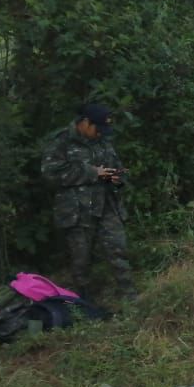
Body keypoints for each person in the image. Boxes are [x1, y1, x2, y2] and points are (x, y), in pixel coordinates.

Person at [40, 103, 136, 301]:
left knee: (118, 250)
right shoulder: (62, 142)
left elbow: (117, 166)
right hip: (78, 211)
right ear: (85, 123)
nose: (100, 134)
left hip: (106, 205)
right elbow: (50, 174)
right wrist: (93, 173)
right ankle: (84, 306)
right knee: (81, 260)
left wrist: (117, 178)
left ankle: (130, 297)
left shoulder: (103, 141)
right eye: (97, 129)